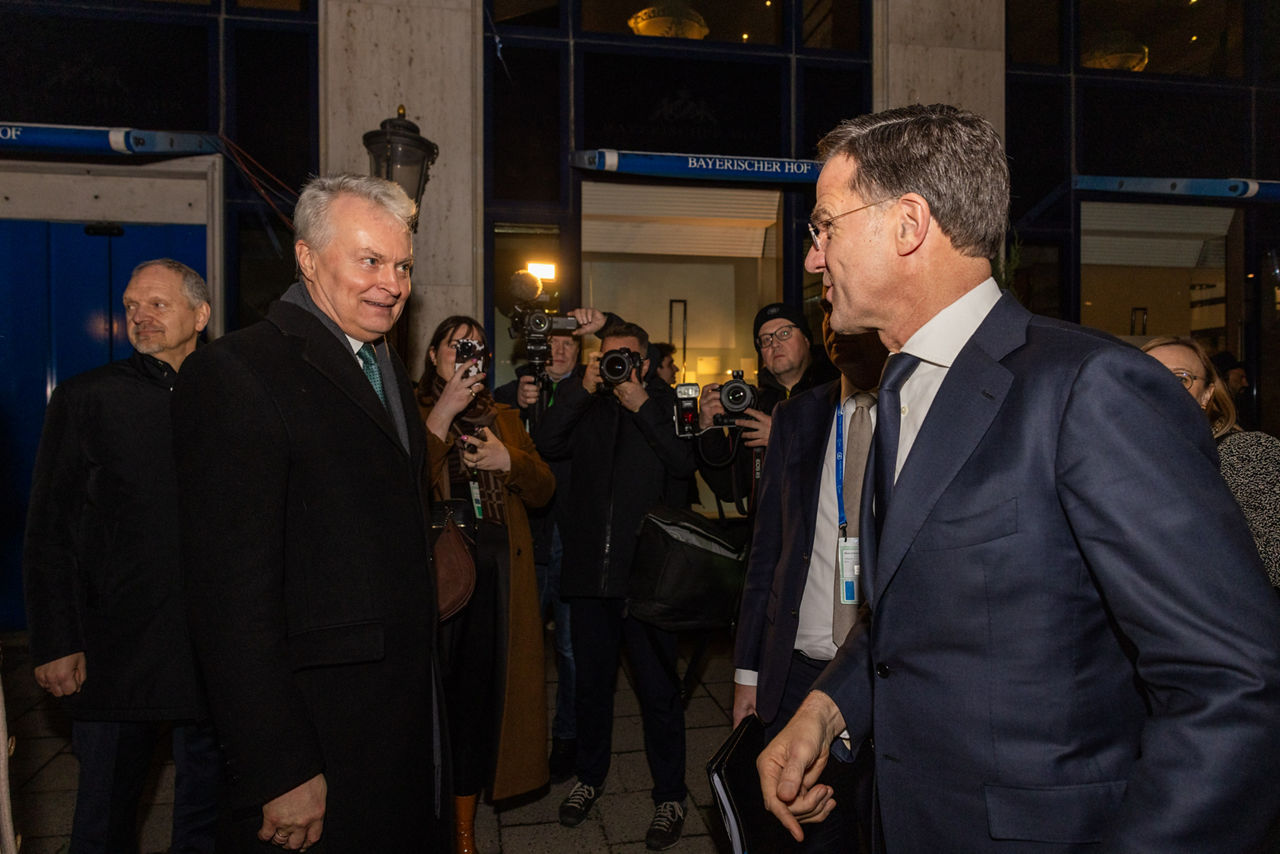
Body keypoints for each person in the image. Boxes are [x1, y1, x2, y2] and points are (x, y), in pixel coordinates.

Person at [759, 104, 1280, 852]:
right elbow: (903, 620)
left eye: (824, 226)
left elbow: (1235, 685)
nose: (813, 258)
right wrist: (825, 711)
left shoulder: (1092, 390)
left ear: (908, 224)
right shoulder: (902, 391)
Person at [172, 174, 446, 852]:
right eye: (370, 261)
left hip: (398, 714)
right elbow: (229, 598)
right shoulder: (238, 372)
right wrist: (280, 766)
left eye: (403, 265)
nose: (392, 282)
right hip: (319, 729)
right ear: (307, 258)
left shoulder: (380, 363)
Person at [23, 258, 219, 854]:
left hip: (209, 649)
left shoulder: (231, 398)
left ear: (200, 315)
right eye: (133, 306)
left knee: (208, 817)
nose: (141, 316)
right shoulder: (89, 399)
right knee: (104, 815)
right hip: (115, 652)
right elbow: (48, 529)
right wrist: (57, 640)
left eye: (157, 304)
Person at [532, 314, 697, 851]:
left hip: (648, 579)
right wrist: (583, 388)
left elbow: (683, 462)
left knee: (658, 694)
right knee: (590, 689)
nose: (615, 365)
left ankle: (670, 794)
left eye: (625, 357)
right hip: (589, 578)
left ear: (644, 363)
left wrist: (642, 406)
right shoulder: (588, 405)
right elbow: (548, 441)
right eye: (606, 358)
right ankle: (590, 778)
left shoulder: (667, 405)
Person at [732, 304, 886, 853]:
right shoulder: (799, 419)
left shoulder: (917, 416)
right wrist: (747, 674)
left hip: (883, 673)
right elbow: (765, 550)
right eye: (827, 311)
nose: (838, 324)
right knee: (802, 829)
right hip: (797, 668)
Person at [417, 315, 554, 850]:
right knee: (435, 703)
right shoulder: (412, 410)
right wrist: (444, 412)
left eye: (476, 349)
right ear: (434, 356)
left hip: (497, 583)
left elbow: (544, 490)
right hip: (437, 582)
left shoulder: (505, 417)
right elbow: (398, 486)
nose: (466, 357)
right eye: (456, 347)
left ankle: (464, 827)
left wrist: (509, 459)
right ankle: (425, 815)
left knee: (478, 702)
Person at [494, 330, 585, 782]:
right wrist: (519, 403)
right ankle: (517, 744)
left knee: (568, 650)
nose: (561, 349)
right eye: (553, 341)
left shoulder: (589, 392)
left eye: (570, 342)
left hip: (570, 538)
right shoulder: (509, 396)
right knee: (521, 647)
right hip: (526, 538)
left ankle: (566, 738)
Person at [1143, 336, 1280, 589]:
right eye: (1147, 376)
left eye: (1180, 378)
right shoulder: (1119, 458)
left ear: (1206, 395)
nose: (1162, 386)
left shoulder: (1245, 451)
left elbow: (1274, 558)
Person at [696, 303, 838, 513]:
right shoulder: (753, 405)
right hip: (766, 535)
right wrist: (708, 430)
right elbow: (727, 488)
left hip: (822, 527)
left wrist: (782, 436)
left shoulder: (837, 392)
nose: (775, 344)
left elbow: (848, 467)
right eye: (766, 339)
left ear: (807, 340)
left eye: (784, 333)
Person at [1211, 349, 1254, 429]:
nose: (1246, 384)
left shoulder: (1239, 409)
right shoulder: (1214, 412)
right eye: (1241, 378)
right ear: (1224, 378)